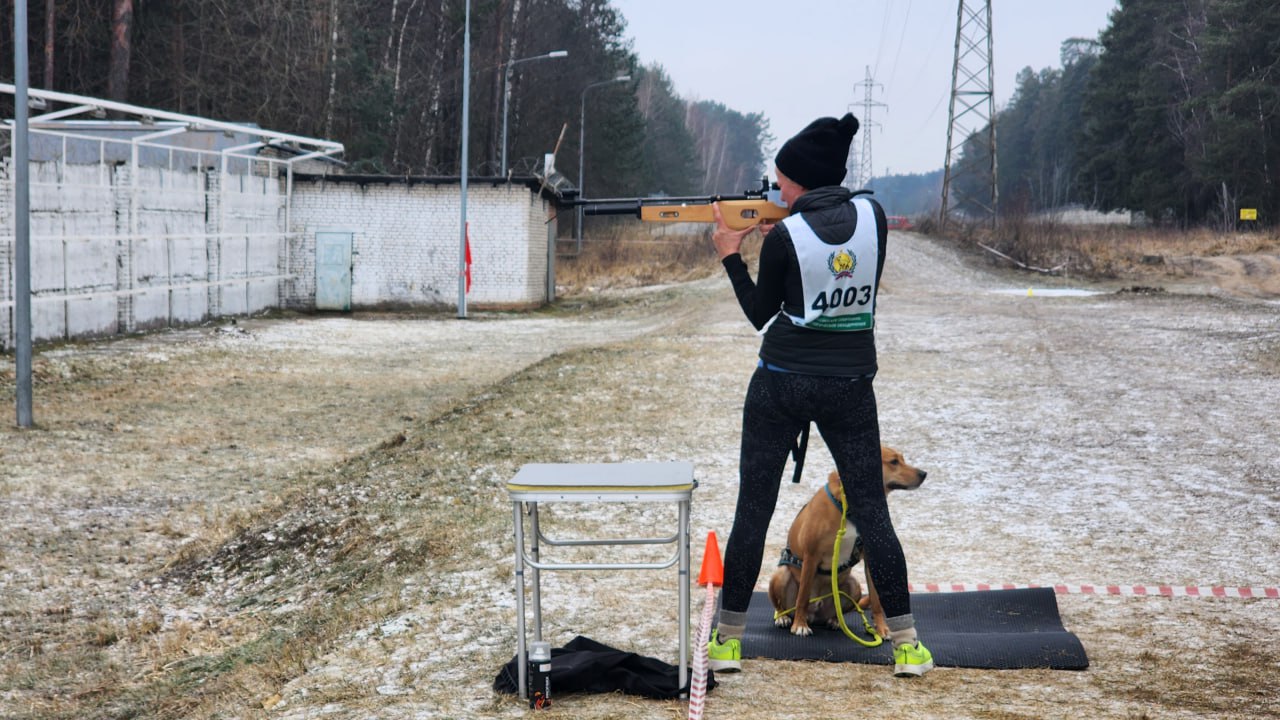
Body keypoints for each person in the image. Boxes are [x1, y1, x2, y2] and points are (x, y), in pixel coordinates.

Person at [705, 113, 932, 678]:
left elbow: (762, 314)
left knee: (751, 512)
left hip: (781, 379)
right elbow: (834, 256)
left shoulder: (783, 234)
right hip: (851, 385)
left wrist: (731, 253)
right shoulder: (874, 218)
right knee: (875, 517)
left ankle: (729, 641)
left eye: (781, 181)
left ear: (800, 181)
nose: (775, 190)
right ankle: (906, 645)